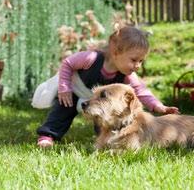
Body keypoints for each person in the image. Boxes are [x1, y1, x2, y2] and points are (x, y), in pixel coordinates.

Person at [36, 25, 179, 148]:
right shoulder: (91, 58)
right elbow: (68, 63)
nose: (138, 66)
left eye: (141, 61)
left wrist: (160, 107)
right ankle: (48, 136)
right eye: (134, 60)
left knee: (107, 114)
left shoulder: (127, 75)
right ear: (116, 52)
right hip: (75, 90)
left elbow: (141, 92)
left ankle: (104, 139)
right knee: (63, 109)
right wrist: (64, 88)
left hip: (98, 102)